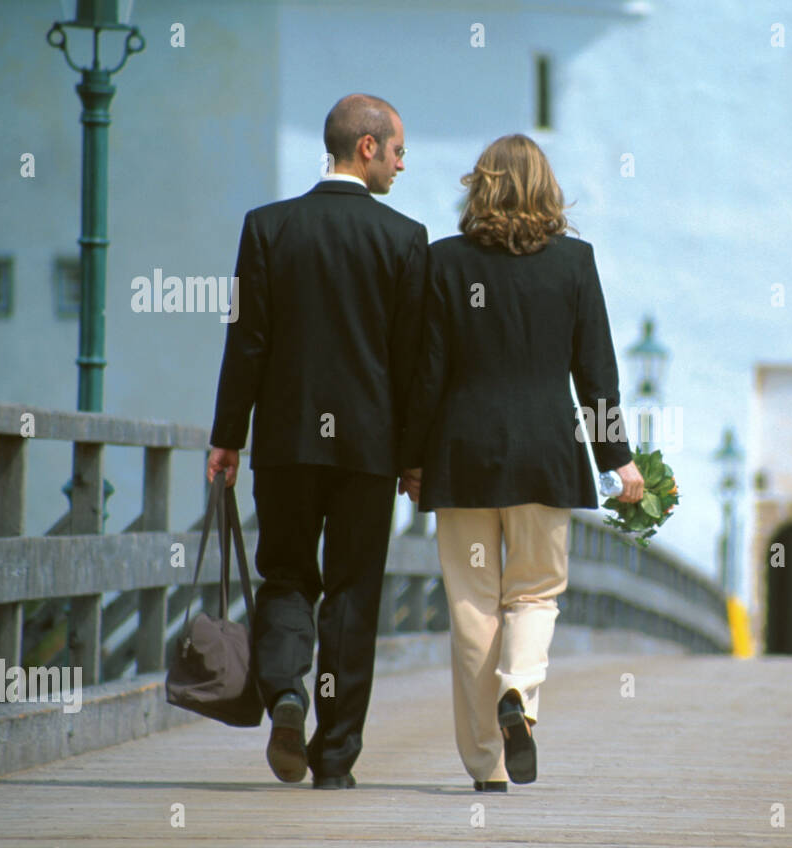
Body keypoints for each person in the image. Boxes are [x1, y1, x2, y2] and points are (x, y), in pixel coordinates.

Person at [399, 133, 644, 792]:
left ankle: (487, 763)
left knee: (473, 606)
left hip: (462, 450)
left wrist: (411, 458)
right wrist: (618, 460)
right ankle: (520, 698)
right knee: (534, 592)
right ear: (547, 188)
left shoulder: (444, 262)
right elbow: (597, 375)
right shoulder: (574, 263)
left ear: (479, 186)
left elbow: (426, 374)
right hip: (545, 450)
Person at [207, 93, 429, 790]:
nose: (402, 162)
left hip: (285, 443)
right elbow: (414, 361)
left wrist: (227, 437)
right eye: (396, 149)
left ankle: (288, 696)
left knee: (287, 577)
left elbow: (247, 343)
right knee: (354, 594)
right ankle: (335, 758)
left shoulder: (268, 227)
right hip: (369, 453)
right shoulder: (404, 238)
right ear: (365, 148)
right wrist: (414, 456)